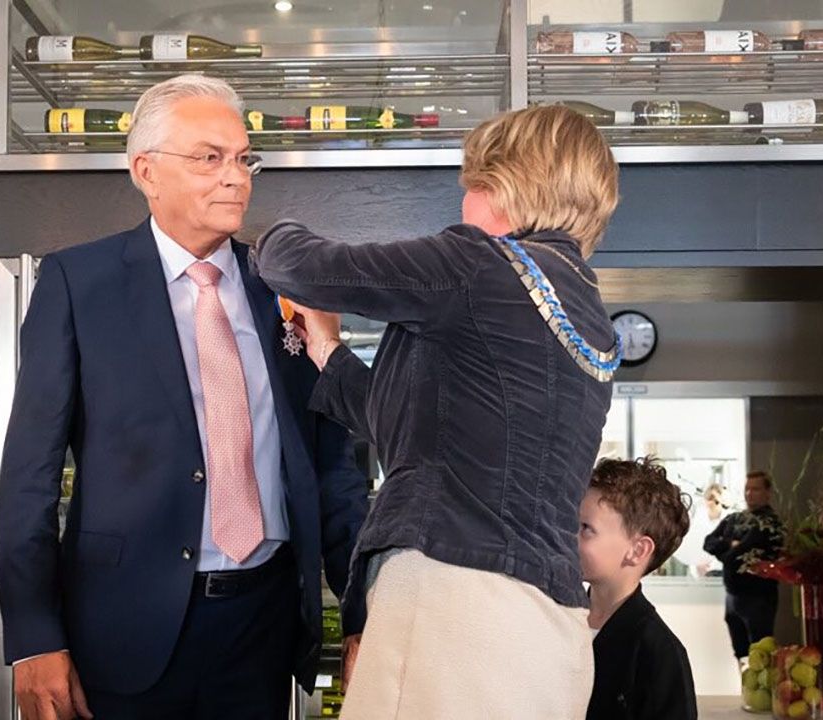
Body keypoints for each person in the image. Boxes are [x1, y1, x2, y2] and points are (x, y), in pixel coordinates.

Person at [0, 75, 369, 720]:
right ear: (147, 171)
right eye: (209, 157)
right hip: (121, 626)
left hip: (264, 626)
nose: (235, 177)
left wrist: (363, 613)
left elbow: (332, 466)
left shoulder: (284, 287)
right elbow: (29, 476)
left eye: (243, 157)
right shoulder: (78, 284)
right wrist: (33, 638)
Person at [254, 104, 621, 719]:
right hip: (547, 629)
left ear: (503, 183)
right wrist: (326, 348)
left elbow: (297, 264)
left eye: (470, 186)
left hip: (455, 607)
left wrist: (271, 223)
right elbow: (418, 427)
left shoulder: (478, 265)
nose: (463, 206)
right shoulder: (588, 314)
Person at [580, 457, 697, 720]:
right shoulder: (560, 617)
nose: (568, 537)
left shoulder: (659, 653)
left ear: (637, 550)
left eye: (586, 529)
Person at [703, 470, 785, 662]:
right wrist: (731, 544)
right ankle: (744, 690)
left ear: (767, 492)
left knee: (761, 656)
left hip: (759, 598)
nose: (749, 493)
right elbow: (708, 542)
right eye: (747, 489)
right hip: (733, 597)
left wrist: (729, 548)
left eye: (755, 489)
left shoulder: (770, 523)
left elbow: (737, 555)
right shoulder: (735, 519)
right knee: (741, 654)